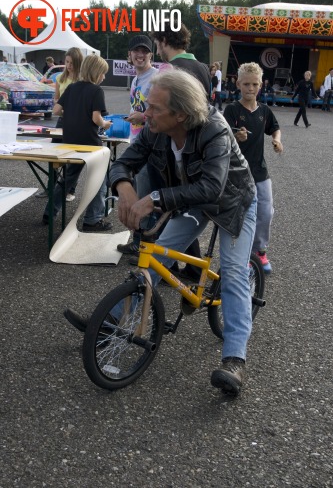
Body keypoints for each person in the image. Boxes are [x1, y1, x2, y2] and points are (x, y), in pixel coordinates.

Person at [64, 68, 257, 396]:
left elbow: (212, 187)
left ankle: (234, 360)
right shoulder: (155, 128)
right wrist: (124, 188)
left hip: (232, 202)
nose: (145, 113)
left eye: (154, 108)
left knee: (236, 273)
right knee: (156, 258)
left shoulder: (215, 129)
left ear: (180, 114)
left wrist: (154, 198)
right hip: (190, 198)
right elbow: (123, 162)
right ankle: (108, 320)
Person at [151, 22, 212, 281]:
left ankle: (169, 265)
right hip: (199, 150)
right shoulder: (202, 68)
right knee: (185, 209)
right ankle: (192, 267)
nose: (157, 49)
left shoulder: (169, 70)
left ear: (164, 40)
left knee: (170, 205)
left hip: (172, 149)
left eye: (157, 44)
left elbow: (158, 115)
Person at [224, 62, 283, 274]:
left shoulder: (265, 111)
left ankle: (259, 250)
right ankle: (240, 253)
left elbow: (275, 129)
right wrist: (235, 137)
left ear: (261, 85)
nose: (250, 88)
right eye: (246, 84)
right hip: (237, 173)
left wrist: (277, 140)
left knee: (266, 213)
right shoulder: (231, 110)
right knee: (240, 213)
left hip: (260, 171)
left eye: (255, 84)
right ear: (238, 84)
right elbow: (223, 138)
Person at [42, 54, 113, 231]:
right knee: (99, 179)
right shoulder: (97, 91)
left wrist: (73, 113)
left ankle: (49, 212)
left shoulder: (72, 88)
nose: (103, 77)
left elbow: (57, 110)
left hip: (70, 142)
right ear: (96, 73)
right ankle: (92, 219)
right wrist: (105, 124)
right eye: (103, 73)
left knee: (68, 178)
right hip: (90, 144)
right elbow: (96, 118)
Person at [117, 35, 159, 256]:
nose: (140, 55)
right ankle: (140, 241)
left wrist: (142, 117)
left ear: (151, 54)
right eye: (136, 51)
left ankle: (144, 246)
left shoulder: (156, 78)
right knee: (138, 189)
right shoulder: (135, 80)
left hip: (151, 144)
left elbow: (159, 111)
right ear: (130, 55)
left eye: (144, 51)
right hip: (137, 141)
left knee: (145, 193)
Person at [53, 47, 84, 201]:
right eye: (67, 62)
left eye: (72, 62)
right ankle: (51, 187)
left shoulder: (82, 79)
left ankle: (70, 190)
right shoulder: (60, 78)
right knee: (54, 154)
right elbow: (56, 99)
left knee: (72, 157)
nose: (69, 65)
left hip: (77, 122)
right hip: (62, 119)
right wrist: (60, 109)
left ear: (79, 63)